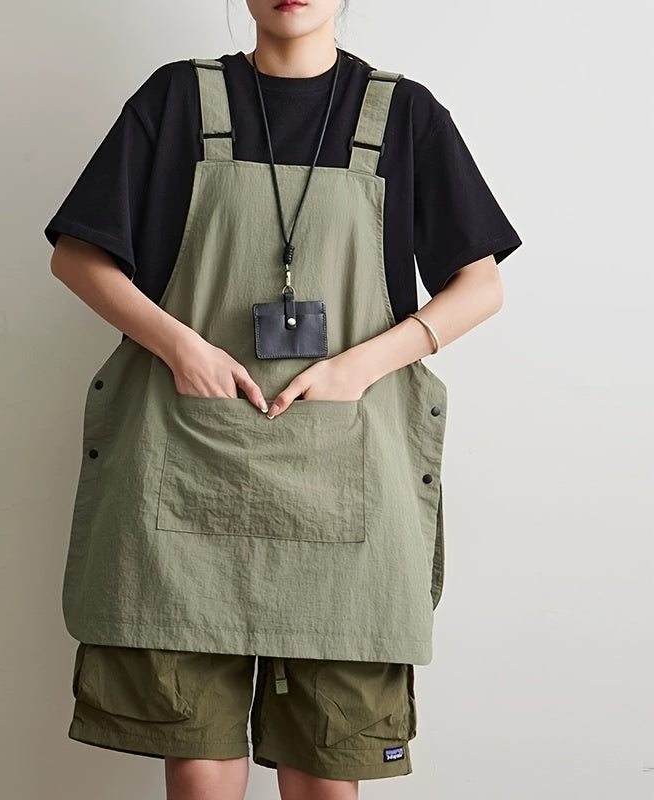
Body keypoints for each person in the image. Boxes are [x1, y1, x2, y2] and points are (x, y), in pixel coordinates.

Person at [44, 1, 522, 797]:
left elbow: (481, 286)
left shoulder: (405, 115)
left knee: (327, 773)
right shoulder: (177, 100)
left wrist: (360, 367)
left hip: (346, 489)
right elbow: (77, 256)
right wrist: (181, 346)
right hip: (187, 482)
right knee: (200, 771)